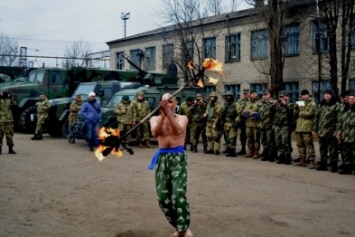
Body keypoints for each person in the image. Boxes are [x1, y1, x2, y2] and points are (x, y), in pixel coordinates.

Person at [149, 93, 193, 237]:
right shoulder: (154, 119)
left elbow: (179, 130)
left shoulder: (182, 118)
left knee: (178, 193)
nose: (167, 104)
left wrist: (169, 113)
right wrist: (163, 116)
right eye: (164, 102)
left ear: (175, 103)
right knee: (162, 197)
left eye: (170, 101)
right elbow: (155, 133)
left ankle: (183, 230)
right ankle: (180, 226)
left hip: (178, 158)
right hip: (162, 158)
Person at [312, 89, 340, 172]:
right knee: (322, 149)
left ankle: (334, 165)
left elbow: (338, 119)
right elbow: (316, 117)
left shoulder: (336, 105)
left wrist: (337, 130)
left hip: (331, 131)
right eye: (325, 94)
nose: (326, 96)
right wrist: (314, 129)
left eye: (328, 94)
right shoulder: (321, 104)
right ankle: (323, 164)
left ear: (331, 95)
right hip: (322, 131)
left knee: (333, 150)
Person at [294, 89, 317, 168]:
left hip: (307, 127)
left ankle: (311, 161)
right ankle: (302, 160)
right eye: (302, 95)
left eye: (305, 95)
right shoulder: (301, 103)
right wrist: (296, 108)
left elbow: (310, 113)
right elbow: (295, 113)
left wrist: (300, 113)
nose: (303, 96)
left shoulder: (312, 103)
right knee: (300, 144)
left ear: (308, 95)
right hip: (299, 127)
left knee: (309, 144)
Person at [335, 92, 355, 175]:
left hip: (353, 134)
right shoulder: (344, 109)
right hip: (345, 134)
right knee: (346, 152)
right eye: (349, 98)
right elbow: (339, 121)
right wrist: (338, 132)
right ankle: (347, 168)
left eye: (353, 98)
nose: (351, 100)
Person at [272, 91, 294, 164]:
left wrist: (286, 105)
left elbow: (292, 113)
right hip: (277, 125)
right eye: (280, 97)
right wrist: (273, 105)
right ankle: (281, 156)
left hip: (285, 125)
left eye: (282, 97)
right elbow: (272, 113)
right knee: (278, 141)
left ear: (286, 97)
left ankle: (287, 156)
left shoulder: (290, 105)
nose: (281, 98)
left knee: (285, 141)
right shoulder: (278, 105)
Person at [242, 90, 261, 158]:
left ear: (256, 95)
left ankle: (256, 152)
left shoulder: (259, 102)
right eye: (251, 94)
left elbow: (261, 113)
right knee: (249, 138)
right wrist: (244, 112)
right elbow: (244, 111)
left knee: (256, 138)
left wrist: (253, 113)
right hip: (248, 123)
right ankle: (250, 151)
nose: (252, 95)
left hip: (255, 124)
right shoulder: (247, 102)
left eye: (254, 94)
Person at [258, 90, 276, 161]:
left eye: (266, 94)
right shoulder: (260, 103)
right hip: (262, 125)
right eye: (264, 95)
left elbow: (275, 114)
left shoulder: (273, 103)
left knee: (270, 141)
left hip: (269, 125)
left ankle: (272, 155)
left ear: (269, 95)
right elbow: (258, 112)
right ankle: (266, 154)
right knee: (263, 141)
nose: (265, 96)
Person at [220, 91, 239, 157]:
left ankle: (233, 152)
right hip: (226, 124)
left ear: (232, 96)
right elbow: (221, 114)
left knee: (232, 138)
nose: (228, 97)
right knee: (227, 138)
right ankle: (229, 150)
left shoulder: (236, 104)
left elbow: (239, 114)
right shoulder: (225, 105)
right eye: (227, 96)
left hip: (232, 124)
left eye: (229, 96)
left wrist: (235, 122)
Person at [236, 89, 249, 155]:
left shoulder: (250, 101)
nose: (245, 95)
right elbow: (237, 109)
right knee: (242, 136)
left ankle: (251, 151)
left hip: (249, 121)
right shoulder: (240, 101)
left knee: (250, 136)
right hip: (242, 121)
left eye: (246, 94)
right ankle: (243, 149)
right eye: (244, 94)